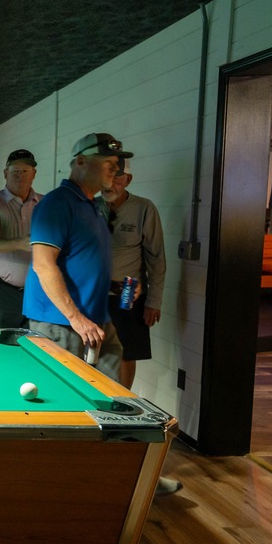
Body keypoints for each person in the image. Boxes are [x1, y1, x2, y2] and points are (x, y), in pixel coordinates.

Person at [23, 132, 131, 381]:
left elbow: (81, 261)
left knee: (109, 394)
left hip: (96, 320)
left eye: (117, 164)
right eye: (108, 163)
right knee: (64, 404)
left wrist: (112, 285)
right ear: (81, 162)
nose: (115, 169)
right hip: (62, 323)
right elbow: (42, 264)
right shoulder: (56, 203)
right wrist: (76, 319)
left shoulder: (92, 205)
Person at [102, 159, 166, 388]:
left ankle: (123, 400)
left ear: (128, 180)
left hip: (128, 289)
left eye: (117, 178)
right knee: (91, 349)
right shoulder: (90, 206)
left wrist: (154, 300)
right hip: (94, 291)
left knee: (126, 351)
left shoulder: (144, 208)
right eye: (107, 176)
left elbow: (156, 258)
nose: (111, 183)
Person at [0, 149, 42, 328]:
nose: (20, 176)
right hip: (0, 291)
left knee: (35, 343)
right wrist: (21, 243)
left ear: (34, 174)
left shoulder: (46, 204)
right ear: (6, 173)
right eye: (15, 171)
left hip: (37, 290)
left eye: (25, 171)